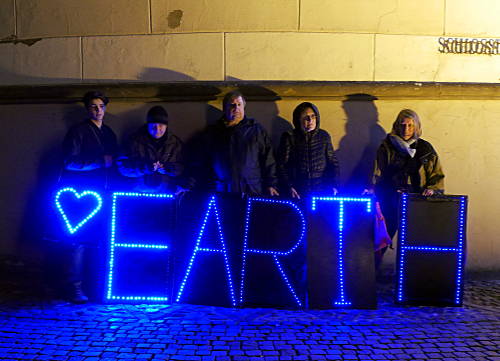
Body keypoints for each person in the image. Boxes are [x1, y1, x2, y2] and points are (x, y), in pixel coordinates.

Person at [56, 90, 118, 303]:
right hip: (81, 195)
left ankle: (95, 286)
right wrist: (99, 162)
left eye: (101, 106)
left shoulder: (109, 133)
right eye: (93, 106)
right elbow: (69, 162)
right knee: (77, 242)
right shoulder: (78, 131)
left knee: (99, 240)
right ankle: (74, 287)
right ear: (87, 108)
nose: (98, 110)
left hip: (103, 194)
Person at [366, 109, 445, 267]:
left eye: (410, 125)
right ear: (396, 125)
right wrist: (372, 188)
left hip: (416, 201)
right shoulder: (387, 146)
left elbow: (436, 174)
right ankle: (372, 275)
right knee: (381, 238)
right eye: (403, 125)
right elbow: (378, 171)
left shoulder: (425, 149)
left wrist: (432, 188)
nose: (406, 129)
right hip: (390, 198)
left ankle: (412, 277)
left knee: (415, 241)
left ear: (416, 127)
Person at [201, 91, 279, 196]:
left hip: (251, 190)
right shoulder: (214, 132)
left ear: (243, 107)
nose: (236, 108)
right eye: (232, 105)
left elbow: (268, 159)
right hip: (224, 191)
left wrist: (271, 184)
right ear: (225, 108)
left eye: (239, 104)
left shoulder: (256, 130)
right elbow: (204, 161)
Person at [117, 105, 187, 195]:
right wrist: (144, 168)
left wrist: (169, 169)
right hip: (138, 194)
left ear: (166, 126)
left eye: (161, 125)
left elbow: (184, 168)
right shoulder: (133, 141)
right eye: (153, 125)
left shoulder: (175, 143)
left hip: (166, 194)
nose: (157, 129)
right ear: (147, 125)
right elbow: (122, 167)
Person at [277, 102, 340, 199]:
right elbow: (282, 165)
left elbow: (332, 162)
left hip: (321, 188)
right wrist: (289, 186)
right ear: (298, 120)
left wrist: (333, 184)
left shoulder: (323, 136)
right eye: (305, 117)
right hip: (298, 189)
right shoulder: (290, 137)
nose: (310, 120)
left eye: (313, 116)